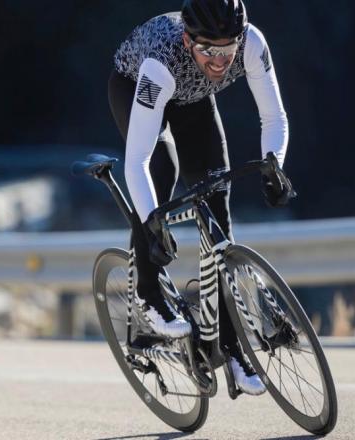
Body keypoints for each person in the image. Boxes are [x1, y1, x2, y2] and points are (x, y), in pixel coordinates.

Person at [107, 0, 292, 395]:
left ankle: (231, 346)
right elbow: (135, 162)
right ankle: (149, 295)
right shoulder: (161, 62)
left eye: (227, 50)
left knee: (218, 216)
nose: (220, 61)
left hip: (193, 98)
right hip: (135, 84)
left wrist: (274, 164)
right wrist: (152, 223)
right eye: (208, 50)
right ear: (189, 39)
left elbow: (274, 118)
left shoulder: (251, 45)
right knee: (162, 169)